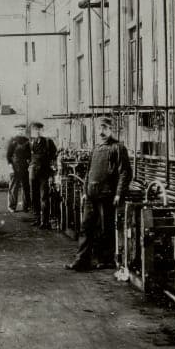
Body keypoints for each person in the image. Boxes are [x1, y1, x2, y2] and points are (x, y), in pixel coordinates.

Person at [67, 116, 131, 271]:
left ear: (111, 129)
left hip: (107, 195)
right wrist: (84, 191)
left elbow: (125, 173)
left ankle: (105, 259)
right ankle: (82, 260)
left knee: (105, 229)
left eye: (105, 128)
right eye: (99, 128)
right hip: (91, 194)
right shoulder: (96, 148)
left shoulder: (118, 148)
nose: (101, 132)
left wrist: (118, 194)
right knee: (86, 227)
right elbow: (89, 172)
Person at [28, 121, 57, 230]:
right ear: (32, 132)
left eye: (39, 130)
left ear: (42, 130)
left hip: (44, 174)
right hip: (33, 174)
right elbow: (28, 158)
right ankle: (37, 219)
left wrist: (51, 173)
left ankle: (45, 221)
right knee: (34, 197)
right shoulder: (31, 144)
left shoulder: (48, 142)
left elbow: (54, 156)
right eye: (35, 130)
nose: (37, 132)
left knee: (44, 197)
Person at [6, 123, 32, 213]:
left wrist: (29, 162)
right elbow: (8, 156)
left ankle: (26, 206)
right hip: (14, 167)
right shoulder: (12, 141)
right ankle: (12, 207)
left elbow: (29, 155)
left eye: (22, 130)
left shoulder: (27, 141)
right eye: (19, 130)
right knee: (13, 188)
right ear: (16, 130)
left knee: (26, 187)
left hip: (24, 167)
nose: (21, 131)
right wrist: (10, 166)